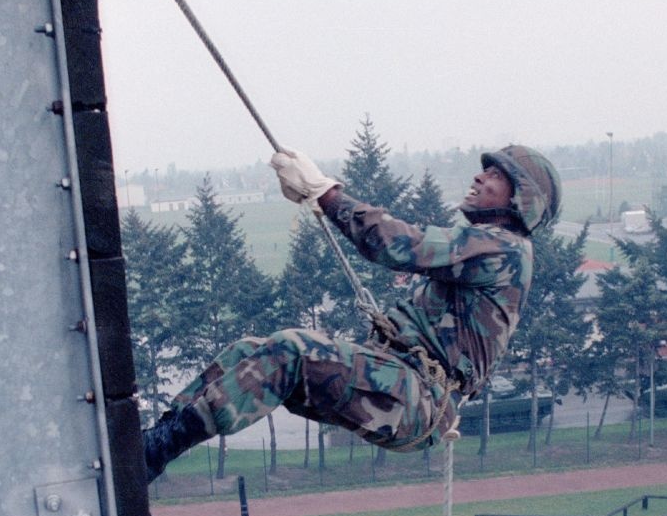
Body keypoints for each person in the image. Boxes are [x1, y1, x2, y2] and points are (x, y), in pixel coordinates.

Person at [142, 145, 560, 481]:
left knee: (289, 351)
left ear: (522, 199)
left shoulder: (504, 248)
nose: (479, 177)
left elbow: (398, 245)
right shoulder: (490, 247)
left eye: (495, 175)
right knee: (249, 353)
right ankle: (154, 441)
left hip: (418, 400)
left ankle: (152, 453)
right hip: (400, 383)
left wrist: (326, 193)